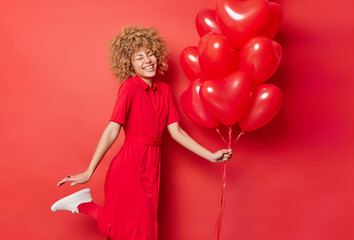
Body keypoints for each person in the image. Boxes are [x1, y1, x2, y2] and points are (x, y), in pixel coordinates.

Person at [51, 25, 232, 240]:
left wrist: (210, 155)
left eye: (150, 54)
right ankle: (82, 204)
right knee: (137, 228)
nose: (147, 60)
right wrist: (90, 171)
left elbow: (177, 132)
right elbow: (112, 129)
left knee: (134, 224)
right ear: (130, 64)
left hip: (153, 165)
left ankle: (82, 204)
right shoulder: (129, 87)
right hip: (129, 166)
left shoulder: (164, 90)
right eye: (139, 57)